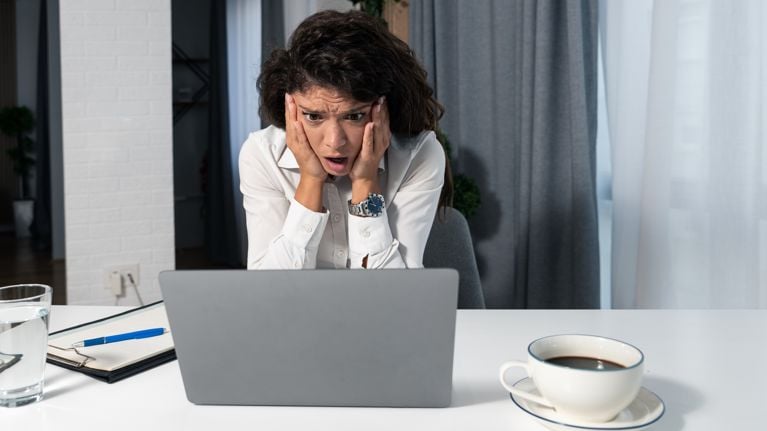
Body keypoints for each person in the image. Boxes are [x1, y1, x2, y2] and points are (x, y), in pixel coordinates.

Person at [239, 9, 450, 270]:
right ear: (289, 107)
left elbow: (395, 292)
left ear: (382, 108)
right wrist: (311, 181)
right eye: (314, 116)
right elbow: (268, 290)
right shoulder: (262, 154)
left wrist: (365, 181)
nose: (334, 141)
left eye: (354, 116)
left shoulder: (420, 155)